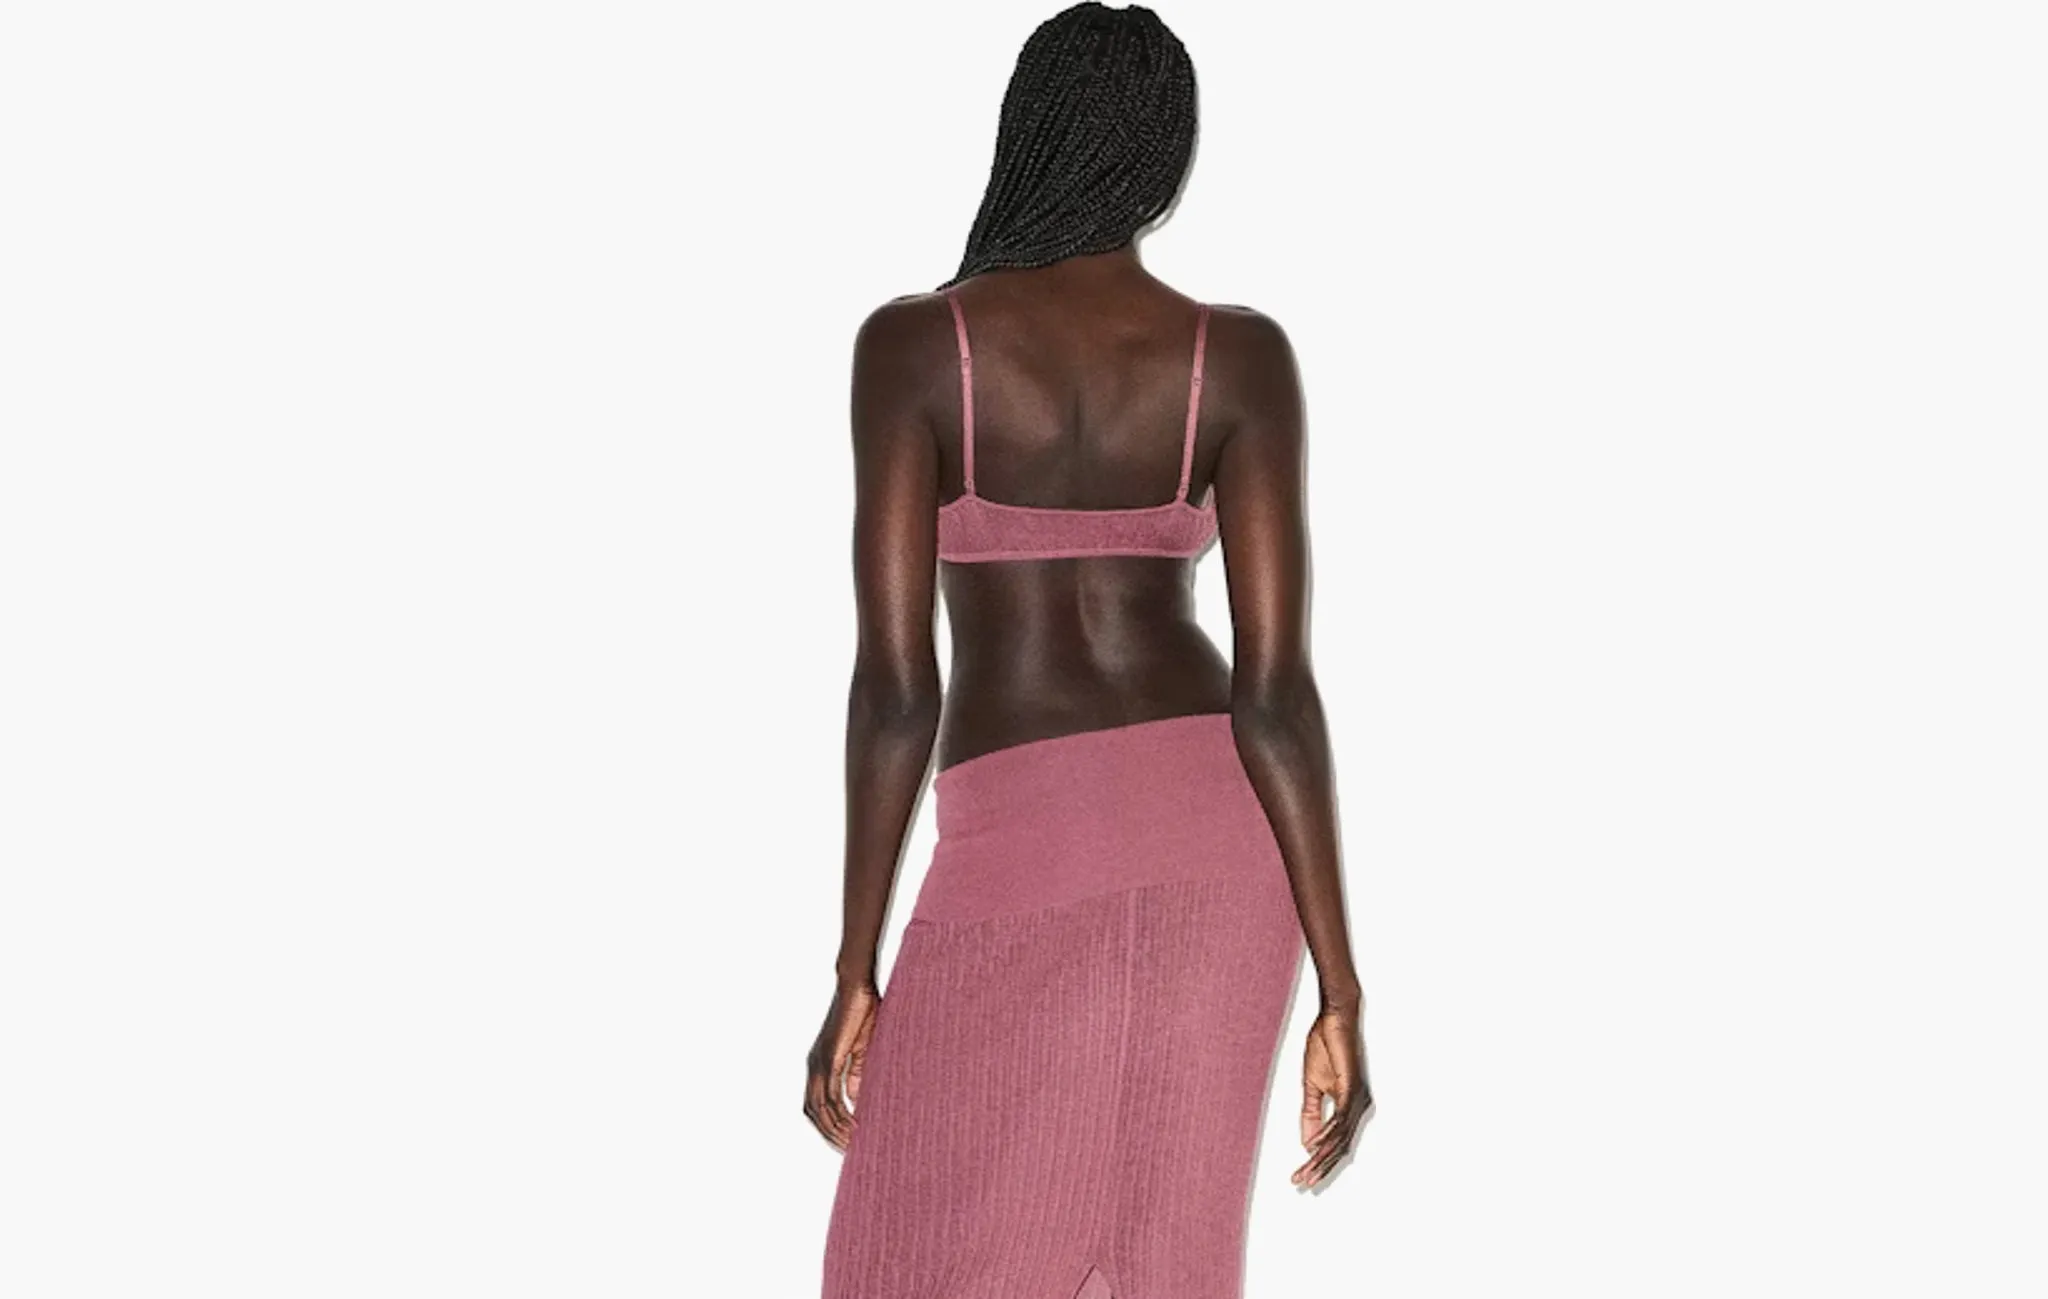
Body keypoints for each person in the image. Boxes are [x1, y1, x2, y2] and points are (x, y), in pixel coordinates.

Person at [807, 5, 1370, 1295]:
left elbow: (896, 691)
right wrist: (1338, 987)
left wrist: (854, 966)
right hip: (1216, 845)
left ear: (1030, 132)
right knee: (1152, 1256)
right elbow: (1276, 695)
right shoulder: (1238, 355)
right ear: (1162, 155)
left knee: (929, 1259)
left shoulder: (916, 346)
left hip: (1024, 823)